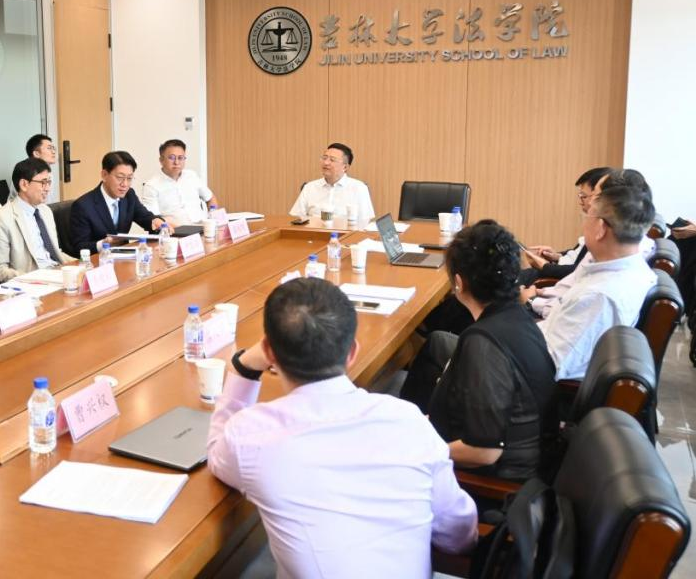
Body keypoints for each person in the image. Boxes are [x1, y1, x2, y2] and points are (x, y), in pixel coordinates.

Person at [207, 278, 477, 577]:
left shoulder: (250, 435)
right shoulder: (409, 421)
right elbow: (460, 535)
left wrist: (244, 367)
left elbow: (217, 452)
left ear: (269, 353)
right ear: (352, 352)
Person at [401, 220, 557, 481]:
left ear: (458, 283)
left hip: (499, 481)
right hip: (531, 456)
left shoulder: (483, 343)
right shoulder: (519, 316)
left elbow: (484, 452)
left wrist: (421, 452)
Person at [541, 169, 657, 380]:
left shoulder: (599, 296)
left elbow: (547, 364)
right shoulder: (625, 270)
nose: (584, 221)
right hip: (536, 341)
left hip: (531, 378)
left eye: (588, 216)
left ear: (601, 227)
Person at [0, 159, 74, 283]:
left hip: (57, 273)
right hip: (33, 282)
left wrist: (79, 263)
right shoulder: (2, 218)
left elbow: (55, 252)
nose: (48, 188)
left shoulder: (45, 211)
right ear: (24, 185)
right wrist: (32, 278)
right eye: (43, 183)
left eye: (49, 182)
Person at [69, 151, 170, 254]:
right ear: (104, 175)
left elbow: (144, 216)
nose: (125, 184)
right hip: (99, 259)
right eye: (120, 177)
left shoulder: (129, 195)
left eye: (129, 178)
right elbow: (79, 247)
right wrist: (103, 244)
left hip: (125, 256)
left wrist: (155, 221)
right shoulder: (83, 206)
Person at [139, 139, 219, 225]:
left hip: (203, 227)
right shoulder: (151, 185)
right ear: (161, 160)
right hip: (175, 231)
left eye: (180, 158)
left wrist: (213, 221)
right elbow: (154, 219)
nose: (176, 162)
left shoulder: (191, 176)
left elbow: (210, 198)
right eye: (171, 158)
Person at [289, 142, 375, 221]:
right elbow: (296, 218)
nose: (326, 163)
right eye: (324, 158)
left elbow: (364, 222)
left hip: (346, 232)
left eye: (332, 160)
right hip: (314, 232)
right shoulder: (309, 187)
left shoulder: (359, 188)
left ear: (345, 167)